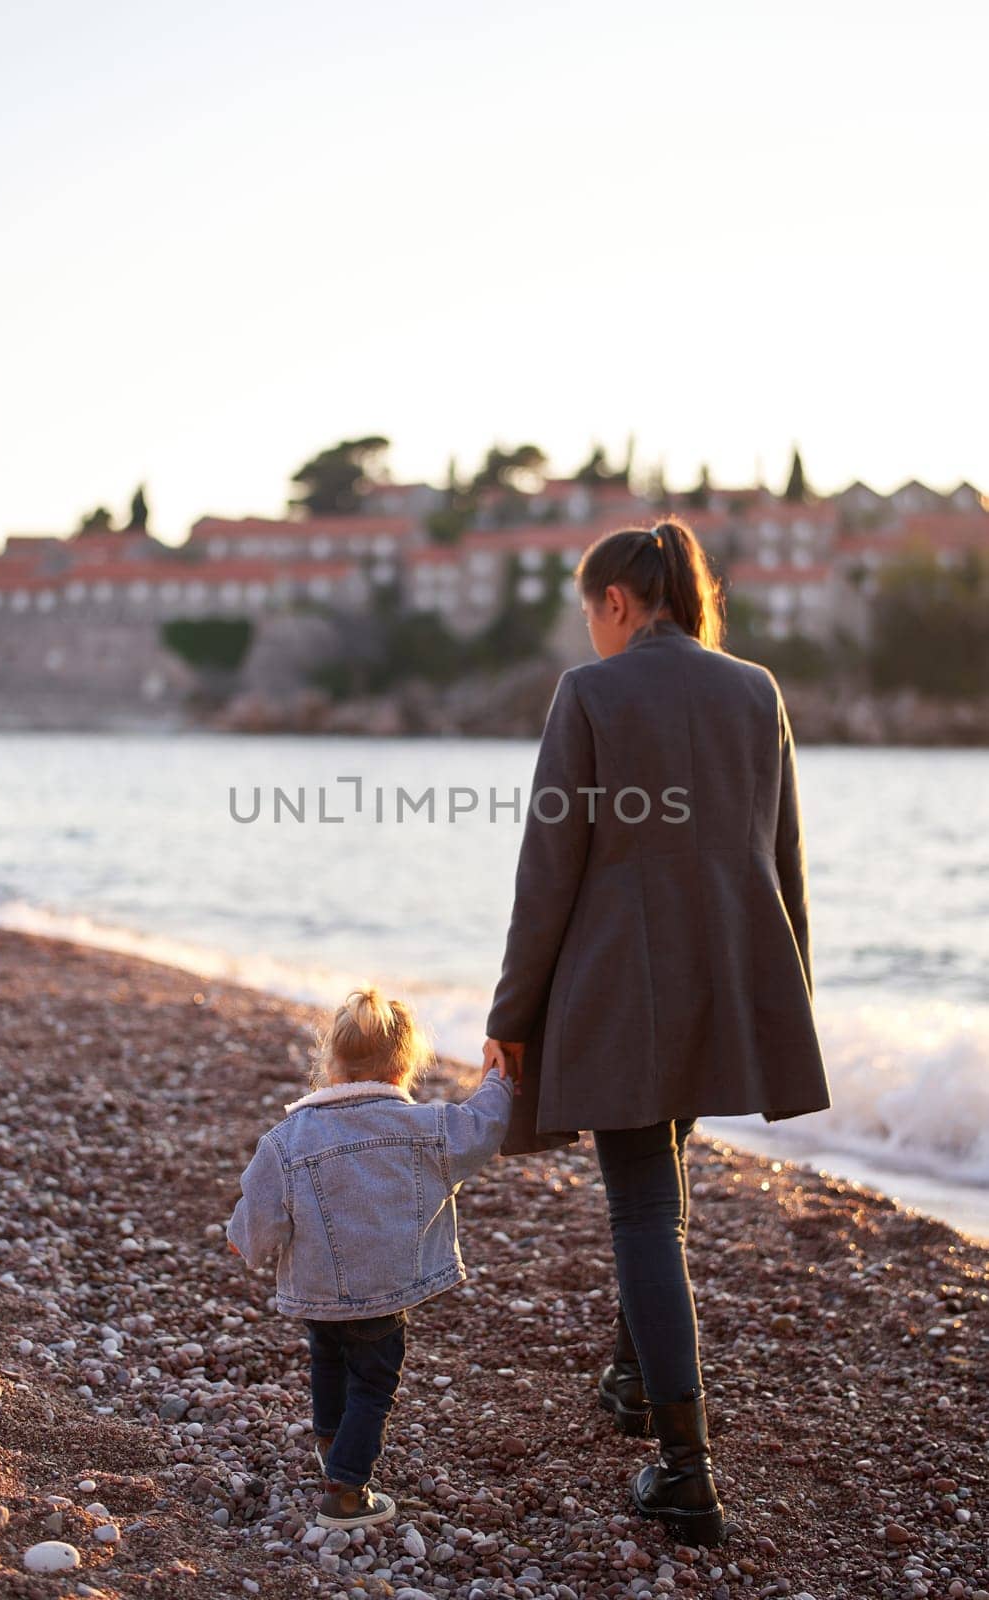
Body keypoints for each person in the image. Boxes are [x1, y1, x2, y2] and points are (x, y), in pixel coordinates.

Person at [482, 517, 830, 1548]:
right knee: (660, 1193)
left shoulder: (590, 693)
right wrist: (784, 1004)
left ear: (617, 604)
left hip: (619, 991)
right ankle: (635, 1380)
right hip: (727, 983)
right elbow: (785, 863)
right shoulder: (755, 688)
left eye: (588, 610)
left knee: (642, 1210)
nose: (587, 629)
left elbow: (548, 870)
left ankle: (686, 1471)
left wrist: (509, 1017)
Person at [227, 985, 513, 1530]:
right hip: (382, 1294)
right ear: (404, 1067)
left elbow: (258, 1210)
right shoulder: (425, 1128)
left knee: (328, 1355)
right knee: (374, 1386)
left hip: (316, 1294)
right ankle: (347, 1491)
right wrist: (499, 1076)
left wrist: (243, 1239)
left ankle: (330, 1442)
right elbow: (483, 1126)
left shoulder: (286, 1139)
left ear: (330, 1063)